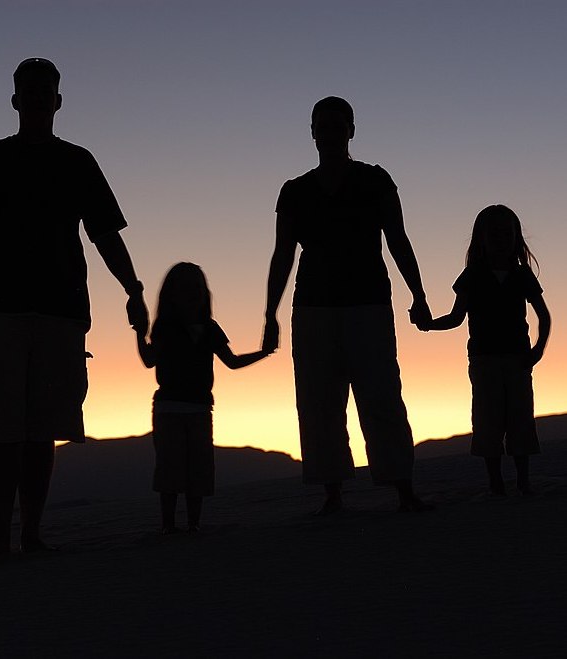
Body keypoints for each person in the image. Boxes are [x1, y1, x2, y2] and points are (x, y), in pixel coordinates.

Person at [0, 58, 148, 565]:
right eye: (30, 90)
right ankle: (2, 535)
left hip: (60, 307)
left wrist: (133, 287)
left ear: (57, 101)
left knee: (42, 426)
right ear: (16, 100)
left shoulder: (77, 161)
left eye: (47, 91)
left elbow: (105, 232)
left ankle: (30, 535)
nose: (39, 98)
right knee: (0, 426)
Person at [262, 96, 432, 514]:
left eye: (339, 126)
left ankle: (402, 487)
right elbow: (283, 253)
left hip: (368, 303)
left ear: (351, 130)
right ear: (313, 132)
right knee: (319, 401)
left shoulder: (374, 180)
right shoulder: (295, 191)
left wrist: (419, 295)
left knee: (382, 395)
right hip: (314, 308)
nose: (331, 133)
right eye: (324, 126)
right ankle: (332, 492)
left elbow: (398, 239)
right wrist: (270, 314)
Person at [416, 205, 551, 495]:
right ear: (482, 238)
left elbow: (544, 315)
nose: (501, 238)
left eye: (507, 233)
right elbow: (456, 318)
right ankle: (496, 481)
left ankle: (523, 479)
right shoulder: (472, 275)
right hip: (484, 358)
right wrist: (428, 325)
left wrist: (538, 348)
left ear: (516, 237)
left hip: (517, 357)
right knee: (488, 418)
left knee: (520, 416)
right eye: (495, 233)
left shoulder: (521, 275)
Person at [134, 262, 271, 533]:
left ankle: (192, 524)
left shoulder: (208, 328)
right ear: (172, 294)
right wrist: (140, 332)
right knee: (173, 468)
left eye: (196, 288)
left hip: (198, 409)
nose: (192, 294)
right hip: (171, 408)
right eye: (186, 289)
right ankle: (170, 526)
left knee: (196, 468)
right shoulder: (167, 327)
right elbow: (150, 360)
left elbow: (231, 362)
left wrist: (263, 352)